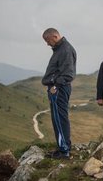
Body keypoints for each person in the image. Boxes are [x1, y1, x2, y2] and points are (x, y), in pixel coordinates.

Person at [41, 28, 77, 159]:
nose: (47, 43)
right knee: (58, 119)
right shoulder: (60, 49)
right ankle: (62, 147)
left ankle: (64, 151)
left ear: (55, 36)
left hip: (59, 89)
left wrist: (55, 85)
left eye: (47, 40)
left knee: (60, 119)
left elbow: (68, 74)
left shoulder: (65, 50)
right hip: (58, 88)